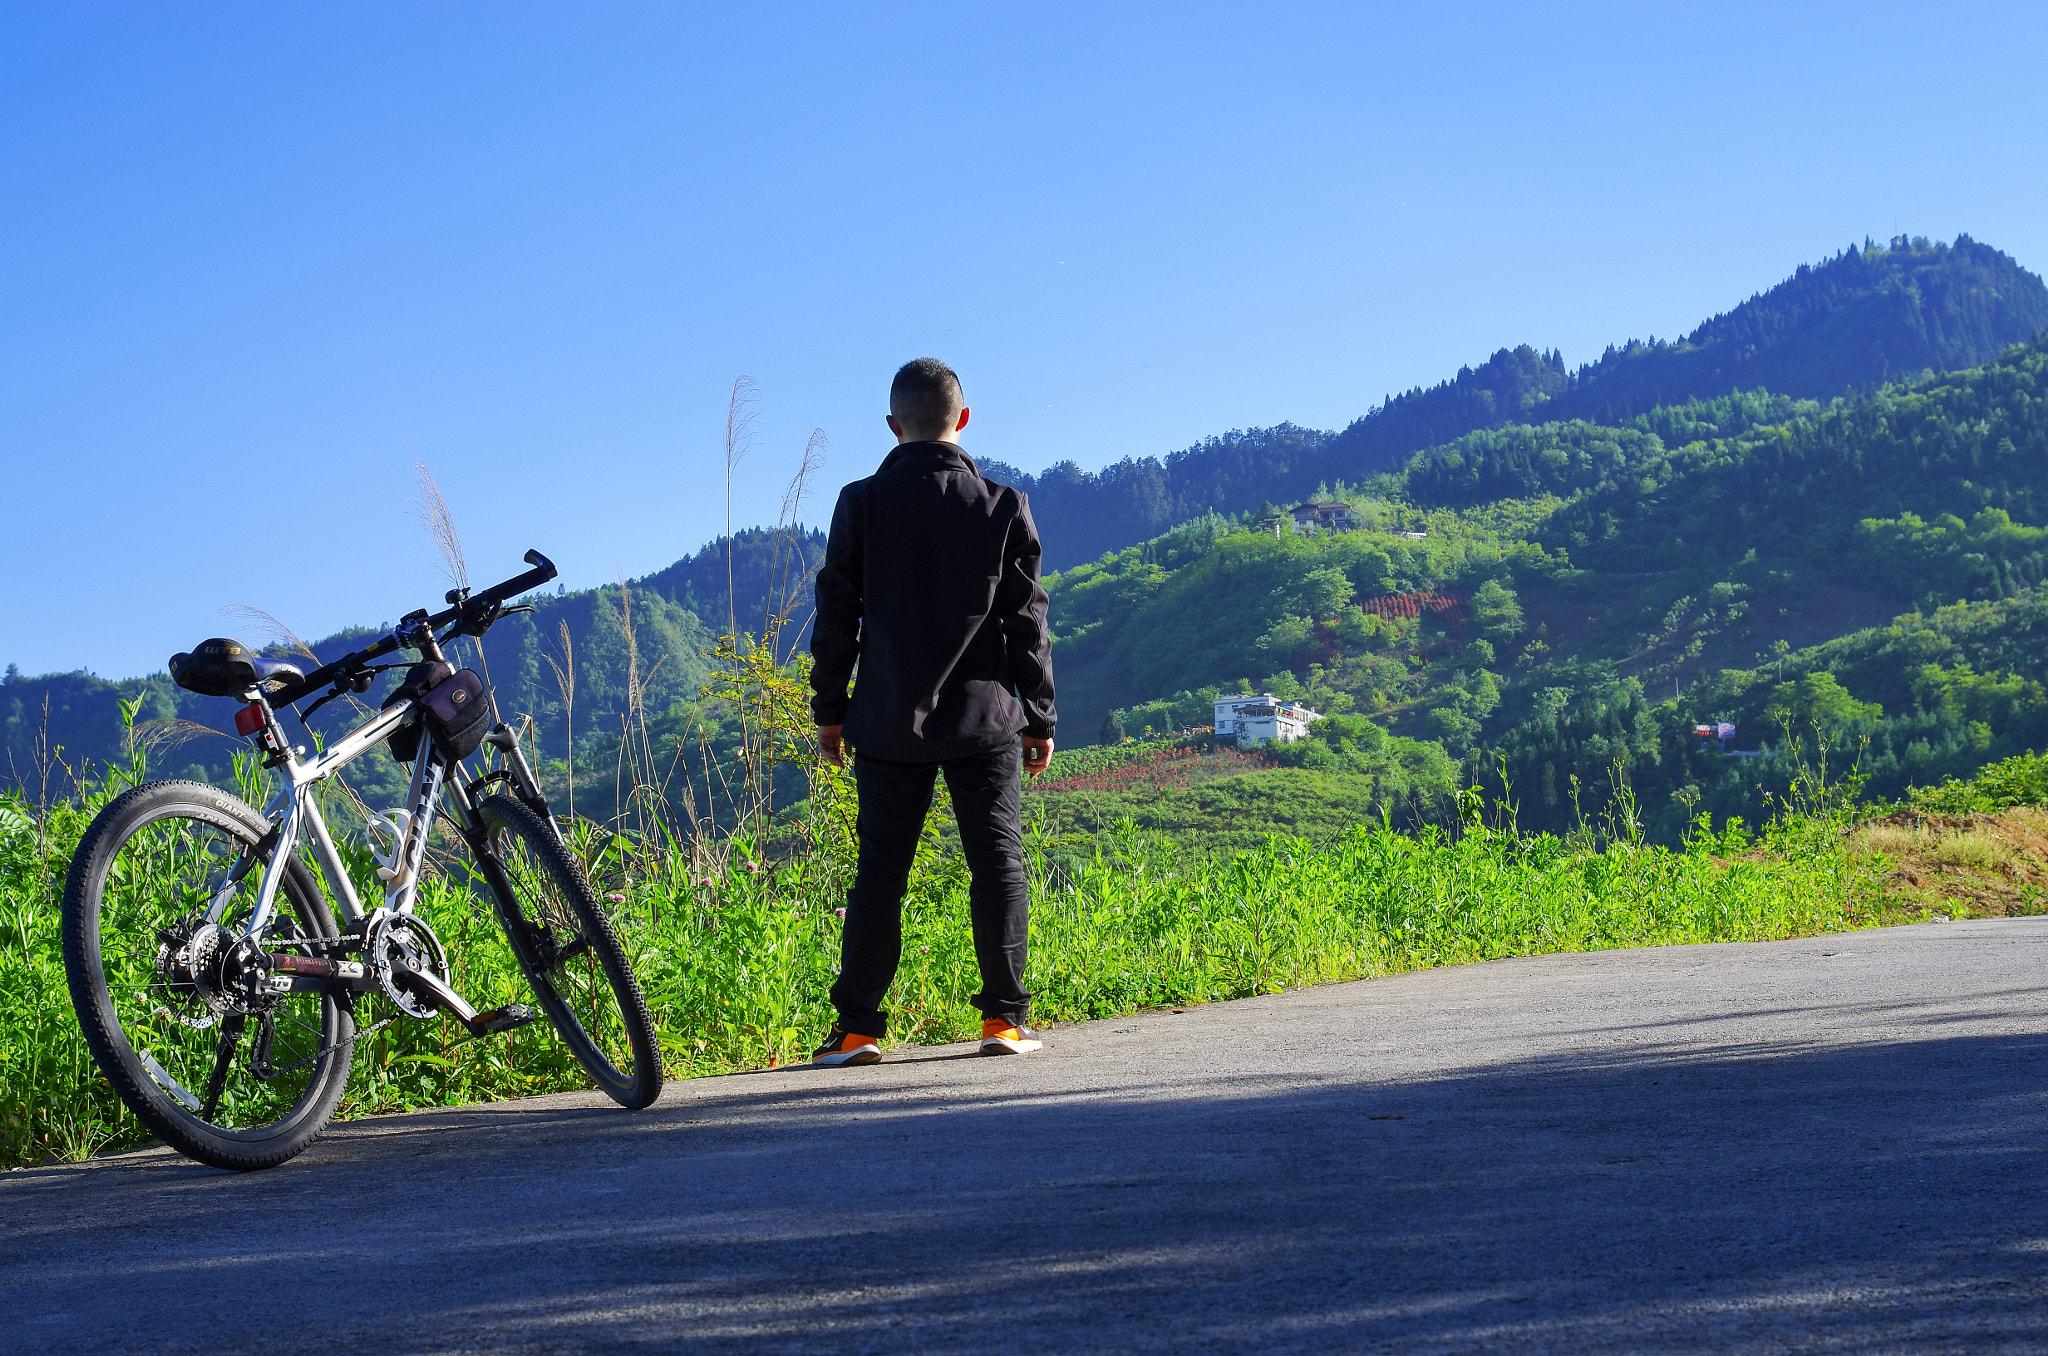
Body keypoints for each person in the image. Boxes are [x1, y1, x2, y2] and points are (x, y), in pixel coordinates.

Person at [807, 357, 1057, 1066]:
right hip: (986, 722)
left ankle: (857, 1030)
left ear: (893, 427)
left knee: (880, 873)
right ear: (964, 419)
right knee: (998, 864)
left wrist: (831, 710)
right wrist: (1038, 716)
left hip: (886, 721)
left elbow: (837, 617)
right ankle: (1003, 1023)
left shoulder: (860, 503)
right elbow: (1026, 624)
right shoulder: (1003, 504)